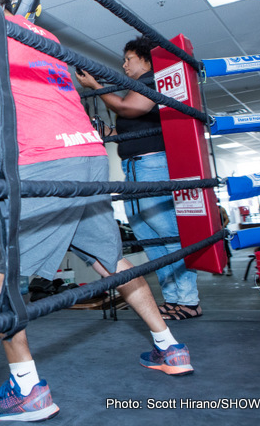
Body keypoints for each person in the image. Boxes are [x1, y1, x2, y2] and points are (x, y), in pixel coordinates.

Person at [0, 0, 192, 422]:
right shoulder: (45, 36)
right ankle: (171, 348)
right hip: (89, 156)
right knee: (110, 260)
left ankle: (26, 387)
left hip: (45, 164)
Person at [75, 36, 202, 321]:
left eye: (128, 59)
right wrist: (98, 129)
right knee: (150, 238)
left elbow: (130, 108)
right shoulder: (135, 88)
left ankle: (190, 301)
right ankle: (173, 299)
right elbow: (121, 133)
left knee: (168, 235)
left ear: (145, 59)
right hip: (133, 167)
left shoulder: (153, 81)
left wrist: (97, 87)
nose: (124, 65)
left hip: (153, 165)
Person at [218, 204, 233, 276]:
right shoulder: (210, 209)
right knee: (218, 251)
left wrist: (222, 226)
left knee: (226, 251)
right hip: (214, 233)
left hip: (222, 232)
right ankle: (220, 269)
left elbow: (227, 219)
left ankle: (229, 269)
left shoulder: (221, 209)